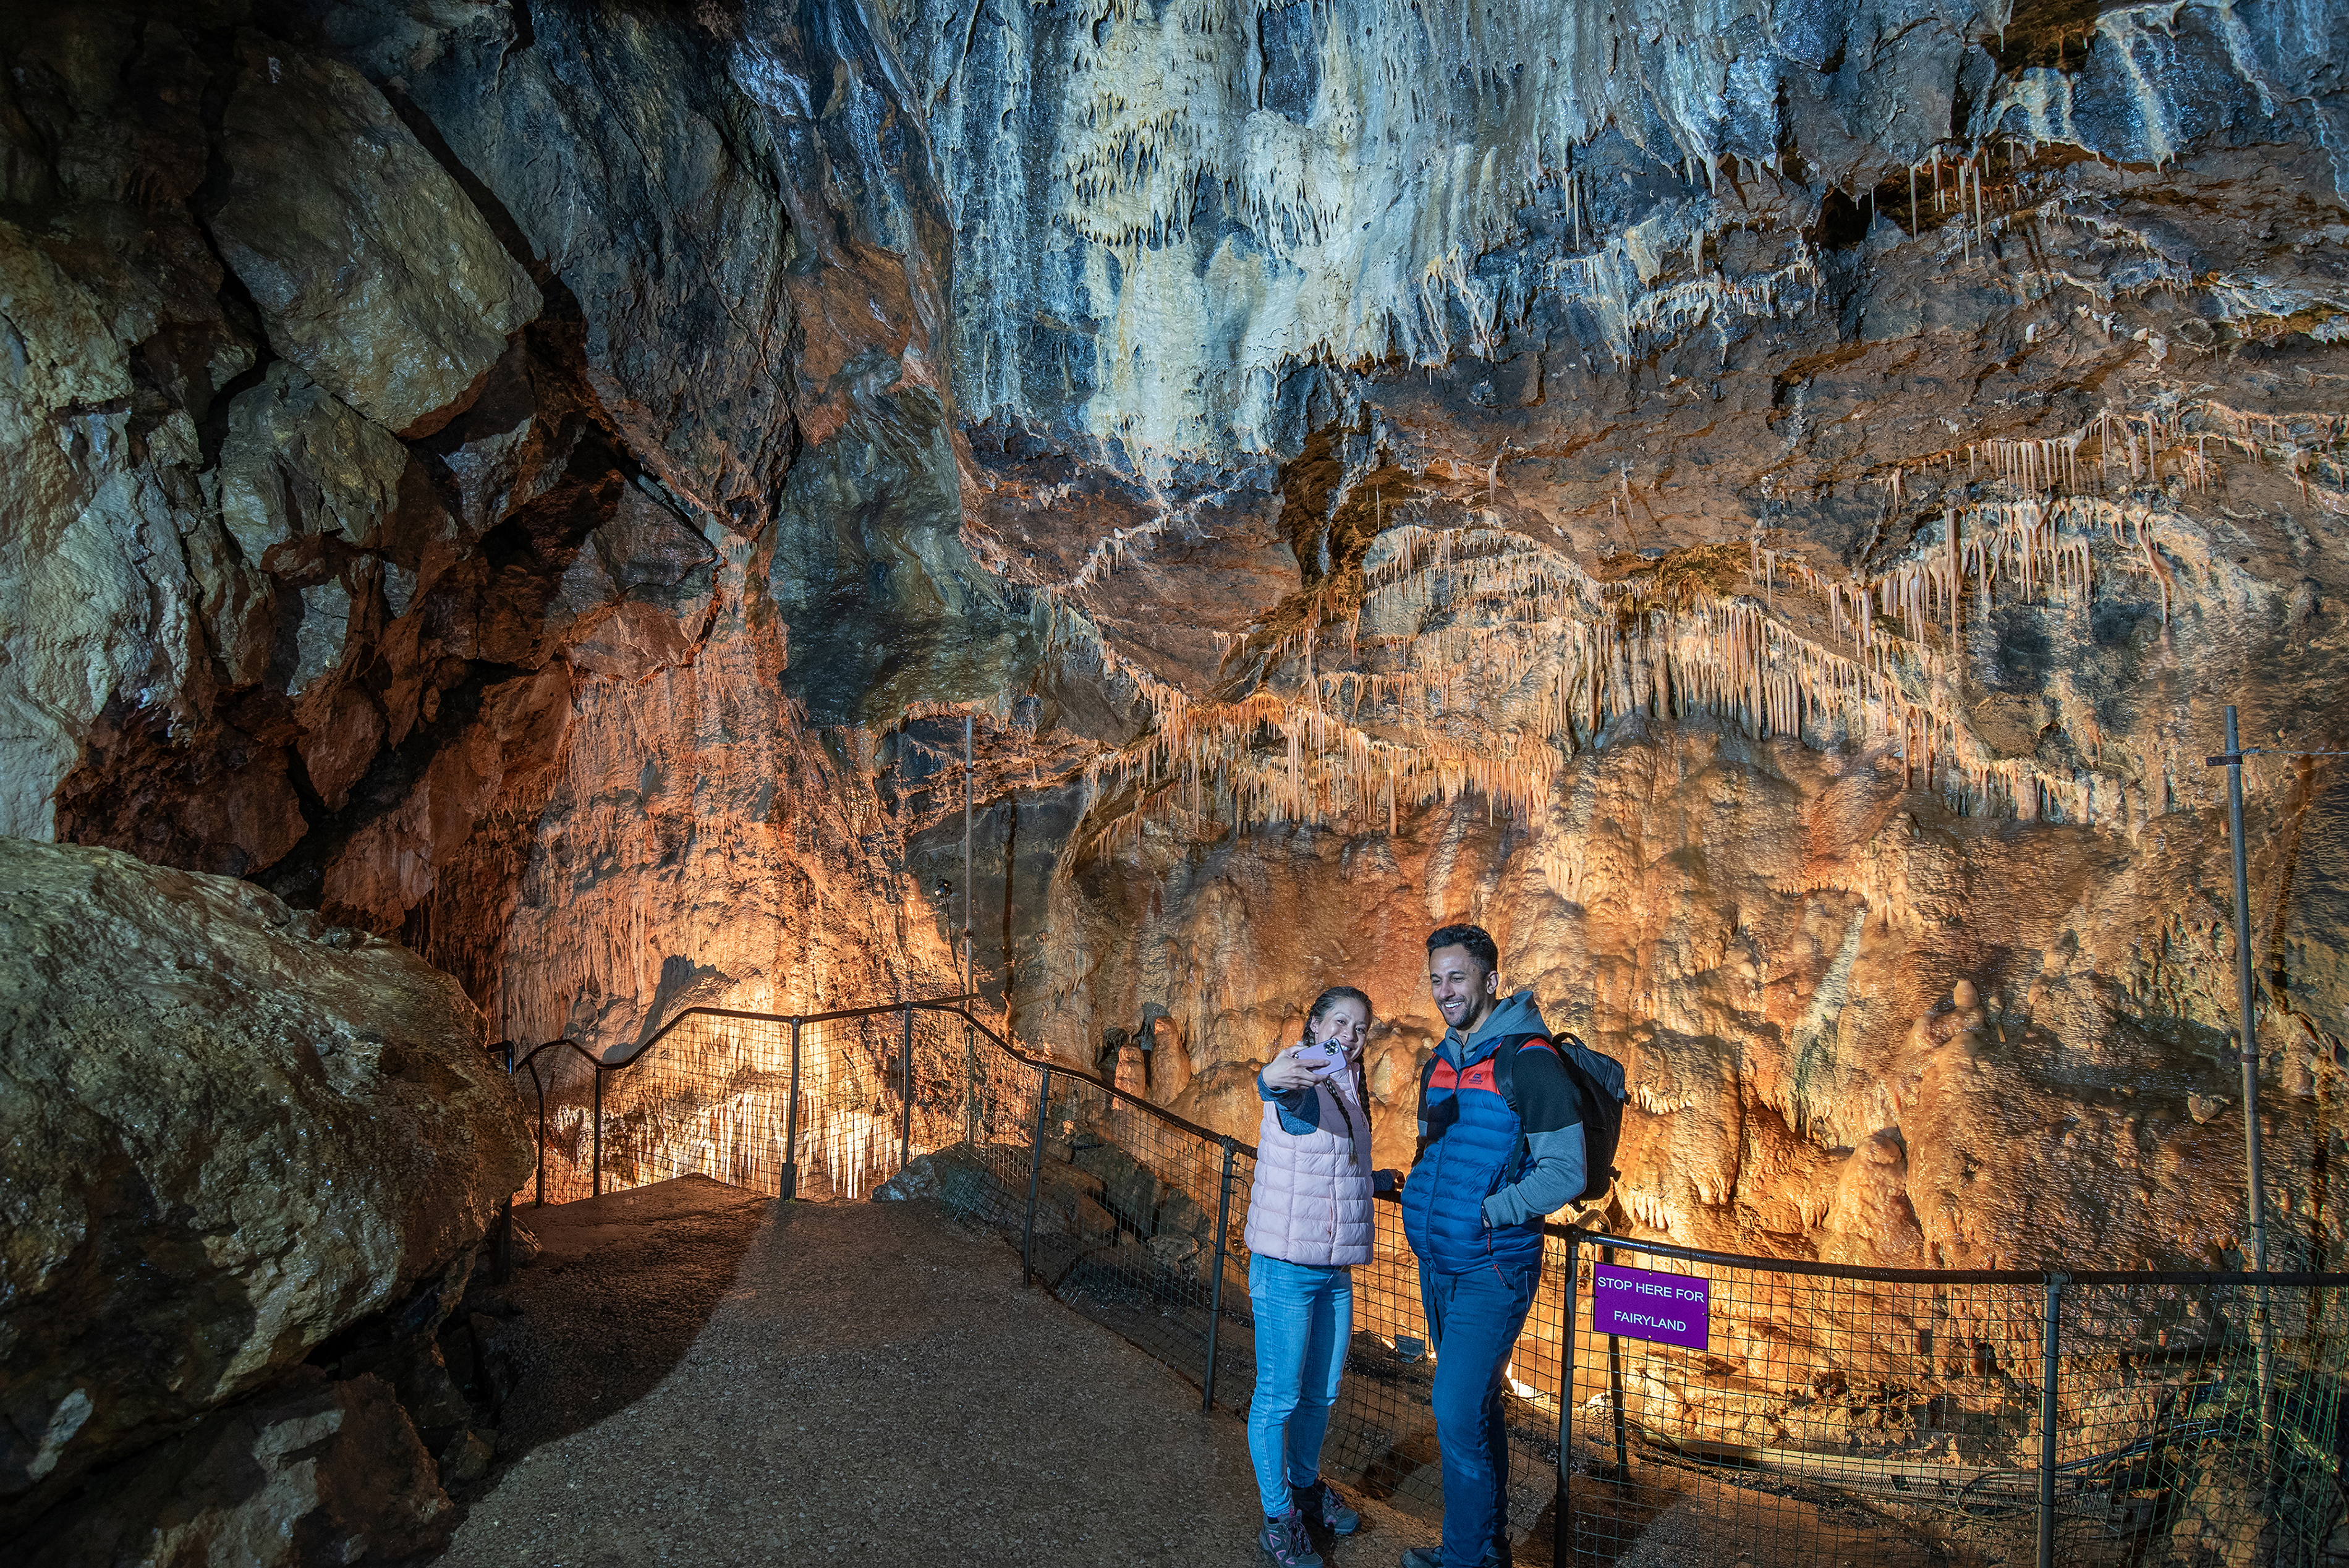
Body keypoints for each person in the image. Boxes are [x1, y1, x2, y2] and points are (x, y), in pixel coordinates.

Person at [1395, 925, 1590, 1568]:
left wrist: (1490, 1212)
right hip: (1439, 1263)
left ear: (1488, 980)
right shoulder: (1441, 1059)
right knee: (1474, 1409)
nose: (1444, 990)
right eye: (1435, 978)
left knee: (1452, 1410)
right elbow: (1433, 1147)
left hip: (1492, 1266)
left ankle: (1463, 1558)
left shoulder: (1527, 1057)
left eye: (1456, 976)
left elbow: (1567, 1170)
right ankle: (1483, 1549)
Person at [1246, 985, 1383, 1567]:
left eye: (1360, 1028)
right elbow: (1277, 1088)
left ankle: (1305, 1489)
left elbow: (1332, 1168)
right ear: (1315, 1024)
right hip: (1286, 1267)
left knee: (1322, 1391)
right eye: (1340, 1022)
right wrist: (1270, 1076)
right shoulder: (1303, 1071)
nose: (1349, 1035)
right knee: (1278, 1396)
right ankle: (1278, 1518)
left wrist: (1377, 1181)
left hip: (1333, 1268)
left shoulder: (1350, 1086)